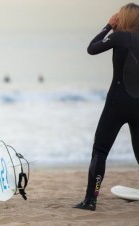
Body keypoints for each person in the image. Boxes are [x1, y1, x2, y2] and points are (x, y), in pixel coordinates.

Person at [75, 3, 139, 211]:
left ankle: (90, 200)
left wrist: (108, 26)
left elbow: (92, 48)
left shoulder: (119, 36)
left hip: (117, 103)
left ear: (123, 19)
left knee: (100, 151)